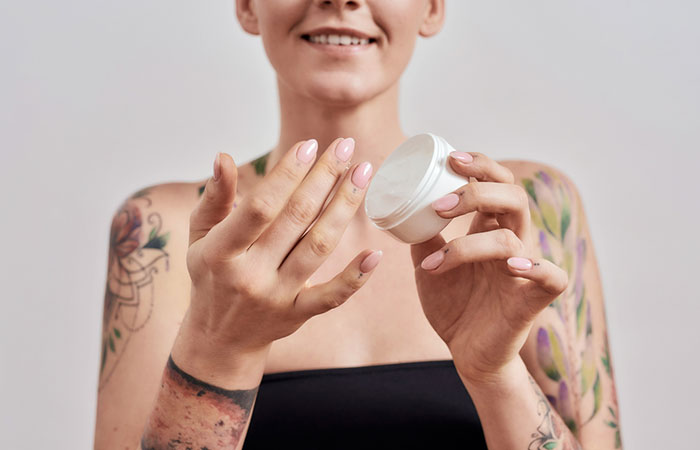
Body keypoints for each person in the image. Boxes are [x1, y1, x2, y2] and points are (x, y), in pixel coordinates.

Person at [94, 1, 623, 449]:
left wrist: (496, 374)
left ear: (433, 6)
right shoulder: (163, 233)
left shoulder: (522, 212)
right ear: (247, 4)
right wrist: (219, 349)